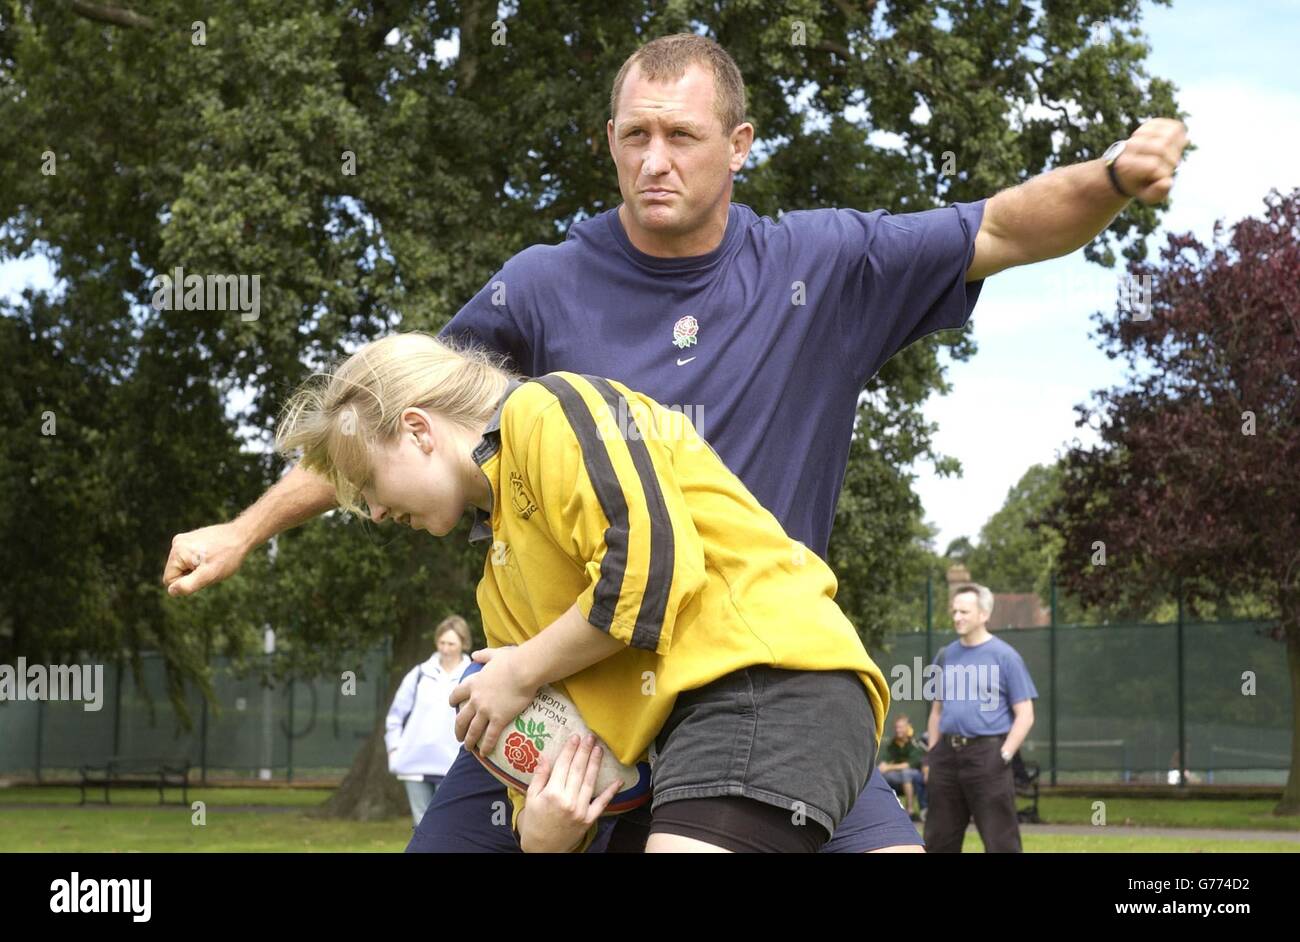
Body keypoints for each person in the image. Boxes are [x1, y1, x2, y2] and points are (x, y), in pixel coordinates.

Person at [162, 34, 1186, 854]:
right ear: (608, 138)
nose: (654, 159)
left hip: (754, 669)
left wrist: (1110, 173)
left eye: (683, 136)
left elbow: (999, 230)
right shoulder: (542, 285)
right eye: (633, 134)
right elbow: (378, 424)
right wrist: (249, 528)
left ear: (738, 144)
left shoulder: (822, 265)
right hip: (574, 675)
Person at [275, 333, 889, 853]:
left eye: (367, 483)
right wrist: (541, 834)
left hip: (767, 685)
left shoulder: (548, 408)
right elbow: (540, 742)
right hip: (672, 746)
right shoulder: (497, 578)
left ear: (416, 431)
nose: (376, 512)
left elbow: (650, 574)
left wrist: (517, 672)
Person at [923, 583, 1037, 852]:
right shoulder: (945, 655)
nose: (957, 617)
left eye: (964, 611)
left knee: (1001, 842)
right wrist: (932, 754)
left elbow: (1026, 715)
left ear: (984, 614)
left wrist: (1004, 755)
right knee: (938, 840)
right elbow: (937, 711)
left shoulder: (1006, 657)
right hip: (945, 758)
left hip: (988, 756)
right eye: (954, 611)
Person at [385, 615, 473, 827]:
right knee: (421, 828)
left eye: (451, 643)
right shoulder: (418, 674)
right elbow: (395, 716)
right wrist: (394, 750)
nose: (445, 648)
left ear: (463, 643)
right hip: (414, 765)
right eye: (442, 643)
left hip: (453, 765)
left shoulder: (473, 676)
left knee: (447, 827)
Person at [879, 716, 927, 820]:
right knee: (880, 775)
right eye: (896, 727)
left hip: (917, 776)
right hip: (898, 775)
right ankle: (885, 812)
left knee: (906, 773)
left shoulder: (915, 741)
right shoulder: (894, 743)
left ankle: (910, 810)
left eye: (900, 727)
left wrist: (888, 767)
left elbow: (908, 765)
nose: (898, 730)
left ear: (907, 727)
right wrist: (882, 767)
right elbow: (885, 760)